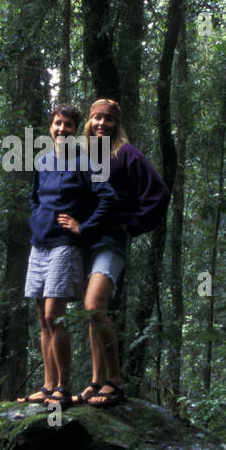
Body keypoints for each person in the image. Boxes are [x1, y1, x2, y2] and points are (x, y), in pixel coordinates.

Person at [58, 99, 169, 408]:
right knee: (91, 310)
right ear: (88, 122)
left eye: (108, 119)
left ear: (117, 125)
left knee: (94, 304)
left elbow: (158, 194)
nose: (102, 124)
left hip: (111, 241)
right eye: (96, 118)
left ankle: (116, 382)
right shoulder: (82, 155)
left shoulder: (126, 154)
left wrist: (131, 223)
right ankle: (97, 381)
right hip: (83, 242)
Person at [21, 103, 118, 410]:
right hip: (40, 245)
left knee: (54, 316)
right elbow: (35, 197)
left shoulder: (85, 161)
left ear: (77, 131)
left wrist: (83, 226)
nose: (61, 129)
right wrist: (36, 220)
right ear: (51, 127)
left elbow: (107, 197)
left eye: (68, 125)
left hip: (65, 245)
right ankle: (48, 386)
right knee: (41, 319)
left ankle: (63, 387)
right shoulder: (44, 161)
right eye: (57, 124)